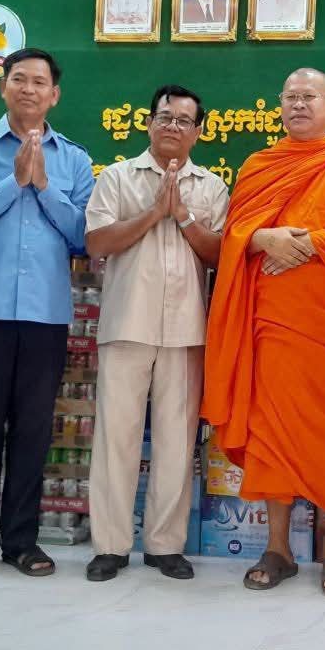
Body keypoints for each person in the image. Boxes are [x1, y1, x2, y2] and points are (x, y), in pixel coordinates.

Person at [202, 67, 325, 598]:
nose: (299, 104)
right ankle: (278, 549)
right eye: (290, 97)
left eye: (310, 96)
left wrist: (308, 244)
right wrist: (262, 238)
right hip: (271, 326)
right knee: (270, 434)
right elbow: (235, 234)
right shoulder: (259, 165)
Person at [0, 48, 95, 581]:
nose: (29, 89)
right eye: (19, 79)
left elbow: (84, 235)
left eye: (39, 82)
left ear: (55, 95)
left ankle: (22, 543)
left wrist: (44, 186)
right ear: (3, 87)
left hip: (44, 315)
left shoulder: (73, 159)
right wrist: (14, 182)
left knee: (33, 433)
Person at [83, 85, 229, 582]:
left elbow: (220, 254)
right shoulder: (117, 177)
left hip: (187, 330)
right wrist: (152, 214)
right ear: (148, 123)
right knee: (116, 439)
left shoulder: (211, 187)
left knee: (176, 441)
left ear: (198, 132)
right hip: (126, 324)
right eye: (164, 117)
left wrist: (183, 216)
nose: (172, 126)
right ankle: (110, 546)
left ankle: (166, 546)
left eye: (184, 120)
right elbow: (97, 243)